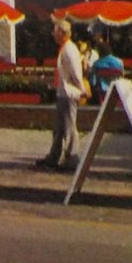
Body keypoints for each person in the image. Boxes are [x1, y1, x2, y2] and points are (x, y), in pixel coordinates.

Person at [37, 20, 86, 171]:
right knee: (59, 127)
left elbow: (76, 73)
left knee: (69, 126)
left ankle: (72, 158)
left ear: (62, 33)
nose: (53, 34)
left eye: (55, 31)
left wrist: (82, 89)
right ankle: (54, 156)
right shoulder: (65, 48)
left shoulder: (70, 50)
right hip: (62, 91)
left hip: (69, 92)